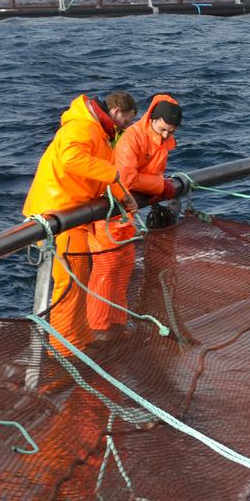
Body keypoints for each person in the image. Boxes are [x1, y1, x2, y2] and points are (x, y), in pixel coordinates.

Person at [23, 90, 139, 350]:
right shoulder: (82, 127)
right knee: (69, 286)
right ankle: (64, 350)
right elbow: (71, 159)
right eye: (127, 120)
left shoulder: (102, 132)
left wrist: (123, 197)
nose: (127, 126)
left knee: (79, 281)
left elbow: (99, 173)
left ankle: (80, 340)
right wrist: (112, 174)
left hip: (71, 213)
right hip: (58, 215)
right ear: (117, 113)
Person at [85, 94, 182, 341]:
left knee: (124, 266)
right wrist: (159, 186)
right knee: (106, 270)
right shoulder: (132, 138)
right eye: (161, 130)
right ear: (152, 120)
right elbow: (125, 179)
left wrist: (154, 187)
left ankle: (117, 324)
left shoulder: (160, 141)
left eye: (169, 133)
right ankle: (97, 329)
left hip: (126, 214)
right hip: (109, 213)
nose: (164, 136)